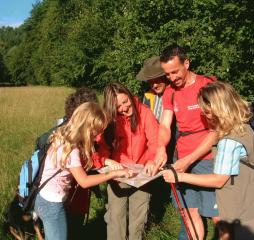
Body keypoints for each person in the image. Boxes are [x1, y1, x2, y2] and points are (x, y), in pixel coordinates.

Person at [163, 81, 254, 240]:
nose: (205, 116)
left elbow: (218, 180)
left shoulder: (230, 141)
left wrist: (178, 176)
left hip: (244, 204)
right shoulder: (245, 123)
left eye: (207, 112)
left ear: (219, 109)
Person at [148, 45, 219, 240]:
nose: (171, 78)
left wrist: (189, 160)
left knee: (218, 217)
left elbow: (216, 131)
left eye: (175, 71)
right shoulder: (170, 92)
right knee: (189, 212)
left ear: (186, 63)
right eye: (167, 74)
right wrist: (161, 148)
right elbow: (164, 125)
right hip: (181, 156)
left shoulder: (208, 86)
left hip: (207, 158)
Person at [34, 102, 133, 240]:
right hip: (52, 204)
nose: (97, 137)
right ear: (86, 127)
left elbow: (85, 163)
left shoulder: (62, 135)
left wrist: (106, 161)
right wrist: (113, 173)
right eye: (96, 132)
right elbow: (84, 181)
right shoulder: (72, 149)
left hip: (43, 197)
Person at [93, 82, 159, 240]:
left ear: (130, 95)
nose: (124, 108)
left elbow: (155, 141)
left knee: (139, 219)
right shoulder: (108, 119)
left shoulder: (145, 112)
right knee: (116, 217)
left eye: (125, 101)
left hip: (142, 174)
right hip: (118, 174)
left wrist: (151, 160)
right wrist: (107, 161)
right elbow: (100, 147)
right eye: (118, 106)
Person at [34, 87, 99, 240]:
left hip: (51, 195)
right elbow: (83, 179)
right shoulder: (71, 143)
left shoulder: (58, 133)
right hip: (59, 198)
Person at [136, 56, 175, 222]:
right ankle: (152, 213)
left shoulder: (175, 94)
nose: (154, 84)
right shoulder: (148, 96)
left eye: (158, 80)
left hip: (172, 146)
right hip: (152, 147)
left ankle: (169, 208)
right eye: (150, 81)